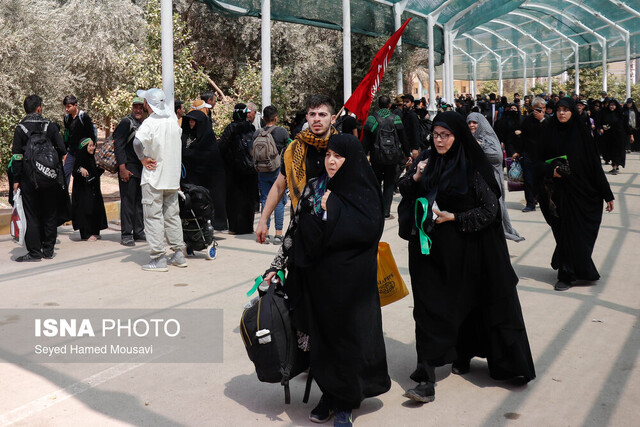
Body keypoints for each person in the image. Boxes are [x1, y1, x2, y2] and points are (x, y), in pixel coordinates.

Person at [399, 111, 535, 403]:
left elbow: (490, 210)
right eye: (435, 134)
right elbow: (407, 189)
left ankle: (463, 352)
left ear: (457, 136)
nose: (439, 140)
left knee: (465, 306)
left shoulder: (472, 167)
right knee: (426, 311)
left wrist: (455, 217)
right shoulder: (427, 160)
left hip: (463, 254)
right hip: (426, 252)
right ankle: (425, 377)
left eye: (445, 135)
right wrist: (416, 176)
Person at [264, 134, 390, 426]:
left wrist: (333, 208)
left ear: (352, 159)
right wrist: (275, 266)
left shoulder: (364, 190)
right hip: (318, 281)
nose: (331, 161)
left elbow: (370, 230)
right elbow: (295, 229)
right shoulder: (314, 186)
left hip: (353, 284)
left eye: (339, 156)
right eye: (329, 155)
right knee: (323, 341)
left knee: (349, 341)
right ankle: (329, 394)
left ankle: (345, 401)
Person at [535, 98, 614, 291]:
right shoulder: (549, 133)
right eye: (559, 110)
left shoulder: (583, 135)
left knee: (579, 234)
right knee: (566, 232)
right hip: (559, 194)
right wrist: (550, 172)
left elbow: (595, 166)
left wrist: (607, 194)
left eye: (566, 110)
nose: (562, 113)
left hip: (584, 192)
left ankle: (572, 265)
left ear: (573, 112)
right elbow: (536, 161)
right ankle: (566, 274)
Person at [256, 95, 338, 244]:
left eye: (322, 114)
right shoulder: (294, 149)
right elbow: (280, 186)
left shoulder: (343, 146)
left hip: (337, 226)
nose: (317, 119)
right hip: (303, 224)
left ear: (333, 119)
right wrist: (263, 220)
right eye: (312, 114)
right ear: (307, 117)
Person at [132, 88, 187, 272]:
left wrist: (143, 159)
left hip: (154, 177)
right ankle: (179, 253)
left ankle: (158, 258)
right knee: (172, 216)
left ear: (148, 104)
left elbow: (137, 143)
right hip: (172, 178)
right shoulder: (173, 121)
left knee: (153, 217)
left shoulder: (150, 123)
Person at [10, 95, 67, 262]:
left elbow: (17, 156)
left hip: (28, 179)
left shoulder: (20, 128)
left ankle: (35, 252)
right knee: (50, 212)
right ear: (39, 108)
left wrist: (16, 179)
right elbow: (62, 149)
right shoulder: (50, 126)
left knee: (31, 214)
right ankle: (48, 250)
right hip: (50, 178)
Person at [467, 112, 524, 242]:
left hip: (492, 181)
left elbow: (497, 156)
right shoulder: (469, 138)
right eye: (469, 122)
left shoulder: (488, 137)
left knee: (494, 210)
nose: (471, 125)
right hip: (475, 182)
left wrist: (479, 146)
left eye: (474, 122)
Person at [362, 95, 411, 219]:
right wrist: (407, 154)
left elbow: (366, 141)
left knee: (376, 183)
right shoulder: (396, 119)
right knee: (389, 184)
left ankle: (376, 210)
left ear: (378, 105)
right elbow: (403, 138)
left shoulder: (372, 119)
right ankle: (386, 212)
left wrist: (362, 156)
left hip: (376, 157)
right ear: (390, 105)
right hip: (392, 157)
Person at [181, 101, 226, 231]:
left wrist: (188, 154)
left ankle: (214, 224)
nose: (191, 124)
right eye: (189, 121)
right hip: (191, 175)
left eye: (193, 121)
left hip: (209, 177)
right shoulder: (186, 135)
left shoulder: (207, 136)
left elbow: (205, 155)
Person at [218, 103, 257, 234]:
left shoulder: (231, 128)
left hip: (233, 170)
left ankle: (235, 227)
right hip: (250, 169)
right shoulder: (251, 127)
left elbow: (222, 147)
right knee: (248, 197)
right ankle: (248, 227)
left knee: (234, 199)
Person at [253, 105, 289, 244]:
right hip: (277, 170)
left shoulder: (257, 133)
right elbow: (288, 148)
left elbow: (252, 152)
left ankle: (265, 232)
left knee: (265, 199)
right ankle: (278, 234)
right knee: (279, 200)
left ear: (263, 118)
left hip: (261, 171)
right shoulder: (282, 132)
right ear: (276, 118)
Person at [114, 96, 146, 246]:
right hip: (128, 169)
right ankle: (127, 234)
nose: (138, 110)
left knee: (139, 202)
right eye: (135, 107)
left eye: (141, 107)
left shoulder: (145, 123)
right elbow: (118, 146)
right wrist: (122, 168)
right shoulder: (126, 123)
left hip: (141, 169)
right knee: (128, 202)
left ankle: (139, 232)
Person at [514, 97, 547, 212]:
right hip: (528, 154)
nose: (538, 111)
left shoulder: (548, 120)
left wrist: (542, 119)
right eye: (536, 109)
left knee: (542, 180)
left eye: (541, 109)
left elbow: (551, 134)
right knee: (528, 180)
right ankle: (530, 203)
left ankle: (542, 200)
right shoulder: (527, 120)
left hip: (543, 155)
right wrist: (518, 151)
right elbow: (522, 137)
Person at [71, 138, 107, 241]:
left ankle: (95, 231)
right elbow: (74, 171)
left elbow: (95, 173)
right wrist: (80, 169)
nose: (93, 148)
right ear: (83, 147)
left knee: (95, 208)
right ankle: (86, 234)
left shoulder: (92, 158)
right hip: (83, 191)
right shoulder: (80, 158)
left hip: (93, 189)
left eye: (93, 145)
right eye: (90, 146)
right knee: (86, 209)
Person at [62, 95, 96, 187]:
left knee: (82, 175)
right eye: (65, 106)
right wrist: (65, 152)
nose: (66, 109)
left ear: (75, 105)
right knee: (65, 173)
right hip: (72, 152)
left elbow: (91, 135)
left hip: (83, 153)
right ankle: (64, 197)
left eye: (69, 106)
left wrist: (91, 151)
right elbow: (67, 135)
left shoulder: (84, 117)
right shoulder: (66, 118)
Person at [598, 99, 626, 175]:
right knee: (610, 151)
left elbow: (625, 125)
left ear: (616, 106)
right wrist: (601, 128)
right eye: (610, 105)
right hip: (608, 136)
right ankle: (614, 165)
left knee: (616, 152)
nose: (612, 107)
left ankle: (615, 166)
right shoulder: (605, 113)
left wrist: (630, 135)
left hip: (619, 137)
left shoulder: (620, 114)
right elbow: (600, 122)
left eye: (613, 105)